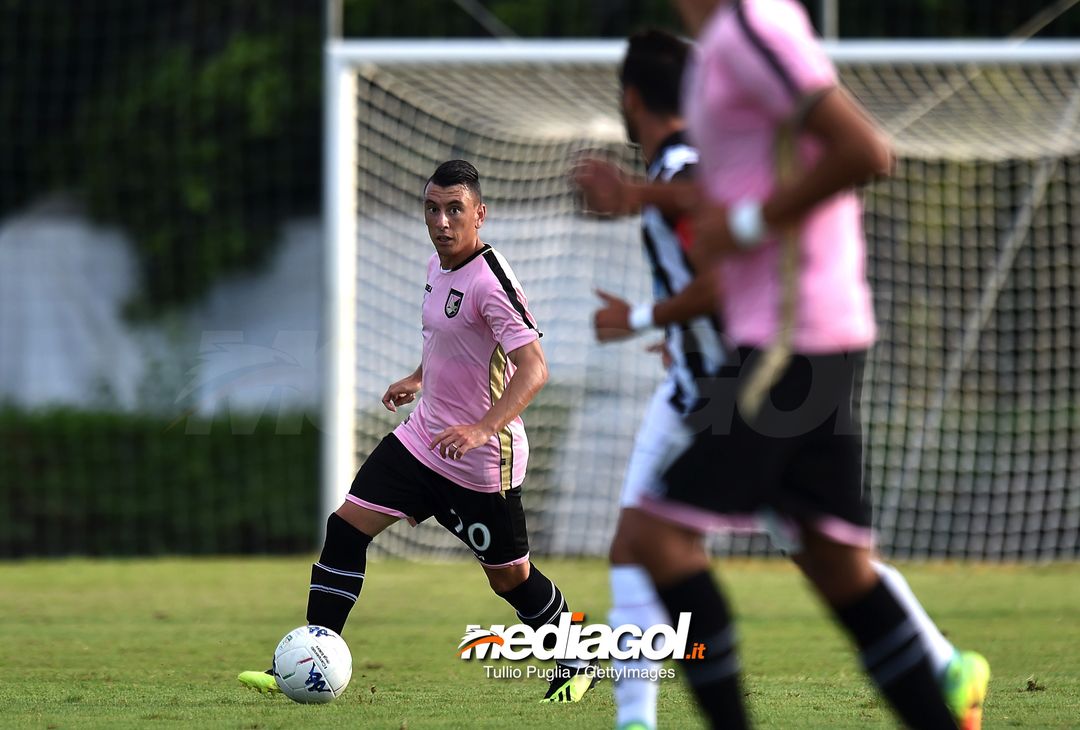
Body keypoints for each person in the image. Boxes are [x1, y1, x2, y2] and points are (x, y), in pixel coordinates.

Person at [577, 2, 990, 728]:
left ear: (632, 98)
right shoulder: (718, 54)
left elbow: (865, 151)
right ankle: (947, 681)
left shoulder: (751, 31)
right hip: (783, 339)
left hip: (789, 339)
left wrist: (733, 235)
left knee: (653, 536)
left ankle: (636, 718)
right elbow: (723, 190)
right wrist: (640, 197)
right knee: (837, 566)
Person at [238, 160, 597, 704]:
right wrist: (417, 378)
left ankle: (577, 657)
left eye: (455, 209)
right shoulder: (436, 264)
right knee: (345, 528)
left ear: (480, 214)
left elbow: (533, 368)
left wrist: (483, 428)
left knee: (510, 578)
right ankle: (309, 658)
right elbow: (453, 345)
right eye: (433, 208)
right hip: (424, 438)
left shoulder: (491, 280)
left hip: (480, 461)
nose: (443, 221)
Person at [577, 29, 723, 730]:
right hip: (694, 381)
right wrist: (676, 333)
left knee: (828, 553)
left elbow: (723, 271)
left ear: (631, 100)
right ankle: (636, 719)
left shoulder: (684, 170)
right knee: (633, 543)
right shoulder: (680, 169)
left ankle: (939, 665)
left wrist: (638, 316)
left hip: (732, 393)